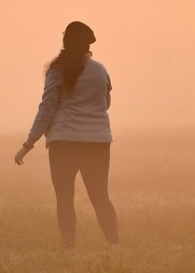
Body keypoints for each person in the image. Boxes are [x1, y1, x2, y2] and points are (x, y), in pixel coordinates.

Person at [15, 21, 119, 250]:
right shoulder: (101, 70)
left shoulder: (57, 70)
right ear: (88, 45)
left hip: (64, 143)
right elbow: (106, 103)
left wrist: (28, 143)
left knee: (64, 198)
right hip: (98, 141)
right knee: (100, 196)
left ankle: (68, 248)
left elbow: (47, 109)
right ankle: (114, 245)